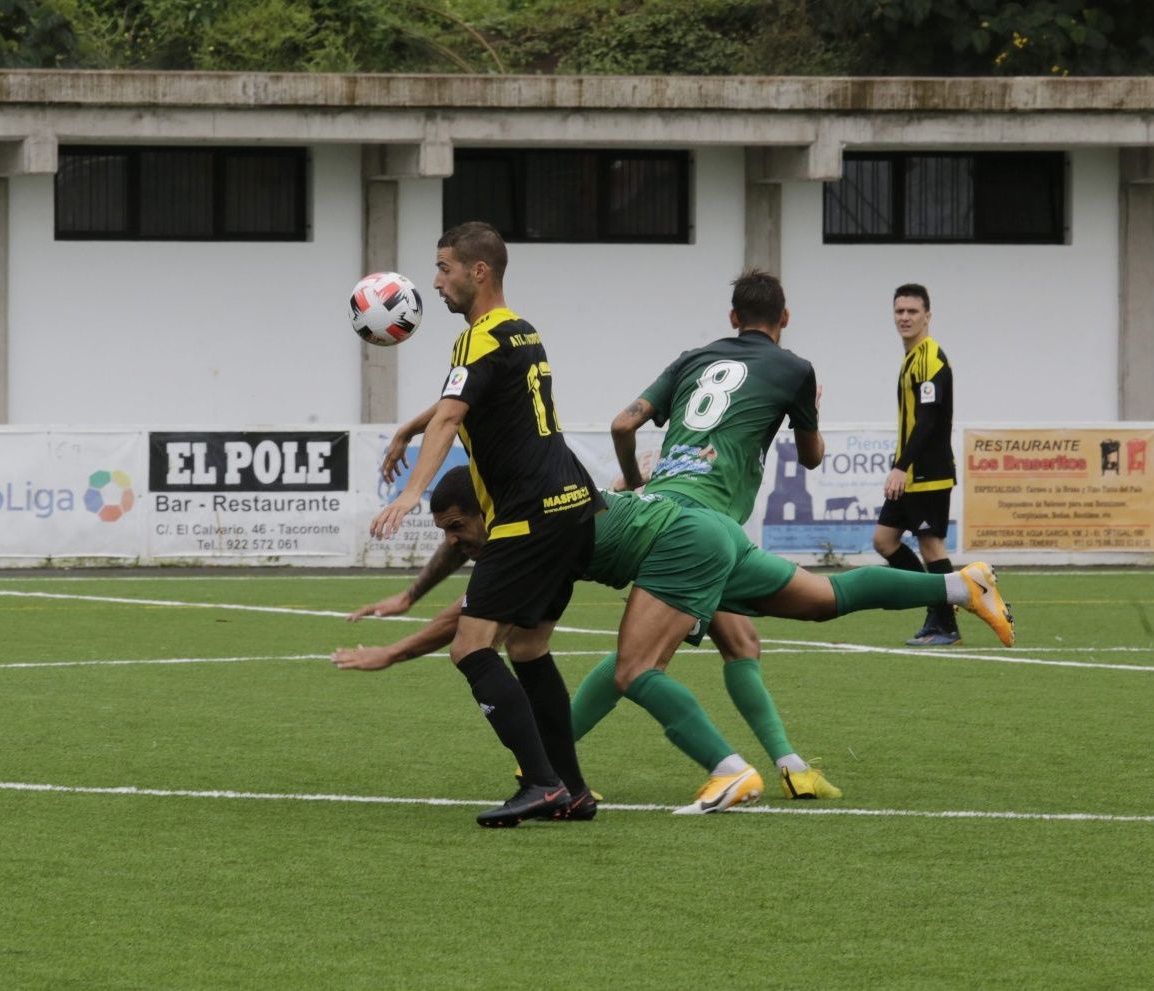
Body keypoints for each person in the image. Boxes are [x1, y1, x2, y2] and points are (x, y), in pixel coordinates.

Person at [334, 467, 1014, 815]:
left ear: (485, 513)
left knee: (632, 668)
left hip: (678, 546)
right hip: (701, 523)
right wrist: (408, 596)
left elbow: (471, 614)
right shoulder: (529, 506)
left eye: (458, 527)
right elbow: (471, 578)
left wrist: (390, 651)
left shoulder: (526, 534)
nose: (456, 542)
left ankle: (728, 770)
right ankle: (960, 586)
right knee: (824, 599)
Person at [367, 221, 598, 828]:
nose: (435, 283)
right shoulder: (520, 331)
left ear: (479, 272)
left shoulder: (478, 340)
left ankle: (543, 783)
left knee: (471, 646)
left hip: (528, 515)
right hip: (574, 506)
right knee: (528, 647)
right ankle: (571, 790)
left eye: (443, 269)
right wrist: (407, 428)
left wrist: (411, 492)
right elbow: (458, 403)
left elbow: (451, 419)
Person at [607, 269, 840, 801]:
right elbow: (811, 457)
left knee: (738, 641)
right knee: (637, 665)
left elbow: (623, 425)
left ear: (732, 318)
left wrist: (637, 482)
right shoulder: (794, 369)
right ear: (784, 318)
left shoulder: (693, 358)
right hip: (696, 528)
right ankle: (550, 761)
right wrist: (811, 411)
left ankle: (791, 765)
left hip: (672, 517)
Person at [874, 283, 962, 646]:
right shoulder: (911, 358)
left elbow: (927, 419)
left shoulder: (930, 356)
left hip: (928, 472)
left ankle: (946, 621)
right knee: (884, 540)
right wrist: (900, 466)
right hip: (910, 471)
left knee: (931, 547)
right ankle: (939, 603)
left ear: (928, 316)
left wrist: (901, 466)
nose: (905, 318)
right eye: (899, 311)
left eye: (912, 311)